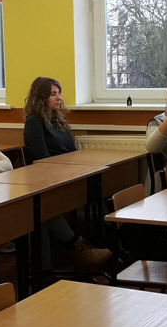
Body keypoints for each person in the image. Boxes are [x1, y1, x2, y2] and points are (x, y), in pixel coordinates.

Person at [23, 77, 111, 270]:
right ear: (41, 97)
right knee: (46, 208)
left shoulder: (57, 120)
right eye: (53, 94)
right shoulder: (34, 122)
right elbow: (43, 159)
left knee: (101, 189)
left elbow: (70, 152)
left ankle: (108, 243)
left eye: (59, 93)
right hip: (48, 179)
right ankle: (79, 248)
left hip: (67, 174)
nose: (59, 98)